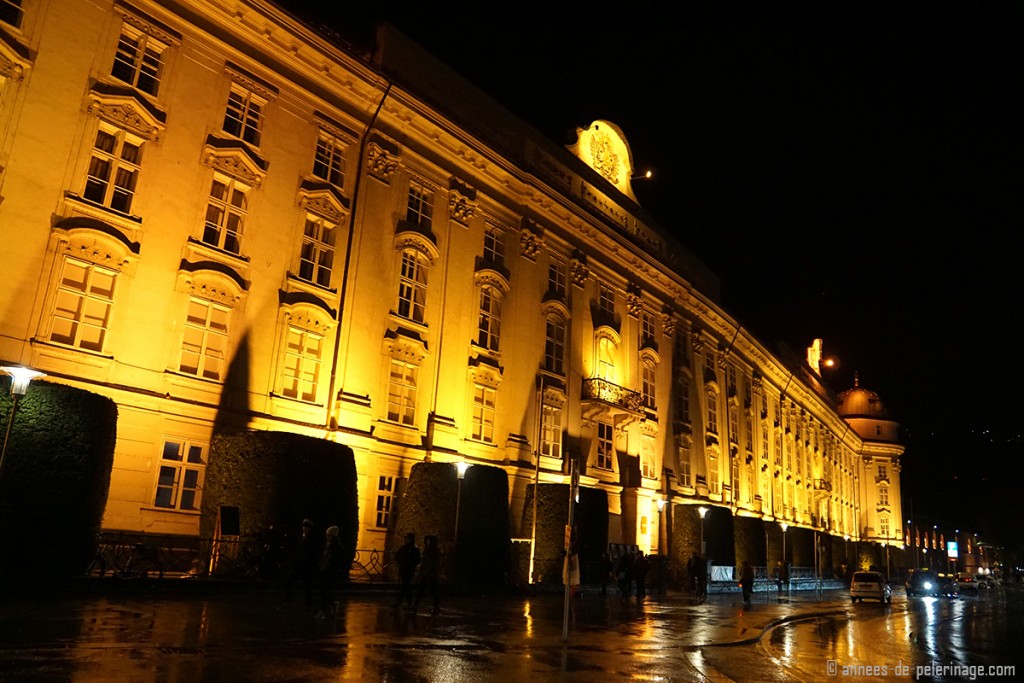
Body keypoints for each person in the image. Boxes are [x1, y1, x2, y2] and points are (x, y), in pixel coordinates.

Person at [284, 519, 317, 609]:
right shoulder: (300, 537)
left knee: (307, 585)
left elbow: (310, 551)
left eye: (307, 527)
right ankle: (288, 601)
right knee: (289, 581)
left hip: (306, 565)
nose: (305, 529)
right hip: (298, 563)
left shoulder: (311, 539)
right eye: (304, 527)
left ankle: (308, 603)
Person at [314, 525, 343, 619]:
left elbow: (335, 560)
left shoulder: (336, 547)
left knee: (324, 591)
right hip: (324, 570)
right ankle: (332, 604)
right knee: (323, 591)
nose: (327, 537)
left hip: (330, 572)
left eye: (328, 535)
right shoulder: (327, 545)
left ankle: (322, 611)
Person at [414, 534, 441, 614]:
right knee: (421, 590)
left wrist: (428, 571)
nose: (427, 542)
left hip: (431, 574)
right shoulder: (427, 550)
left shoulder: (434, 551)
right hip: (426, 574)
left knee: (432, 591)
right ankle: (415, 605)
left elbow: (433, 563)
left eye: (429, 540)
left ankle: (436, 606)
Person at [395, 533, 420, 610]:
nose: (407, 540)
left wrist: (412, 564)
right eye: (406, 539)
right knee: (406, 586)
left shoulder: (414, 549)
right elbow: (398, 556)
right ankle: (408, 603)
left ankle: (400, 602)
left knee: (405, 585)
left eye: (408, 539)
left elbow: (417, 559)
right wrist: (399, 564)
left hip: (409, 569)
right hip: (403, 569)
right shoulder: (403, 548)